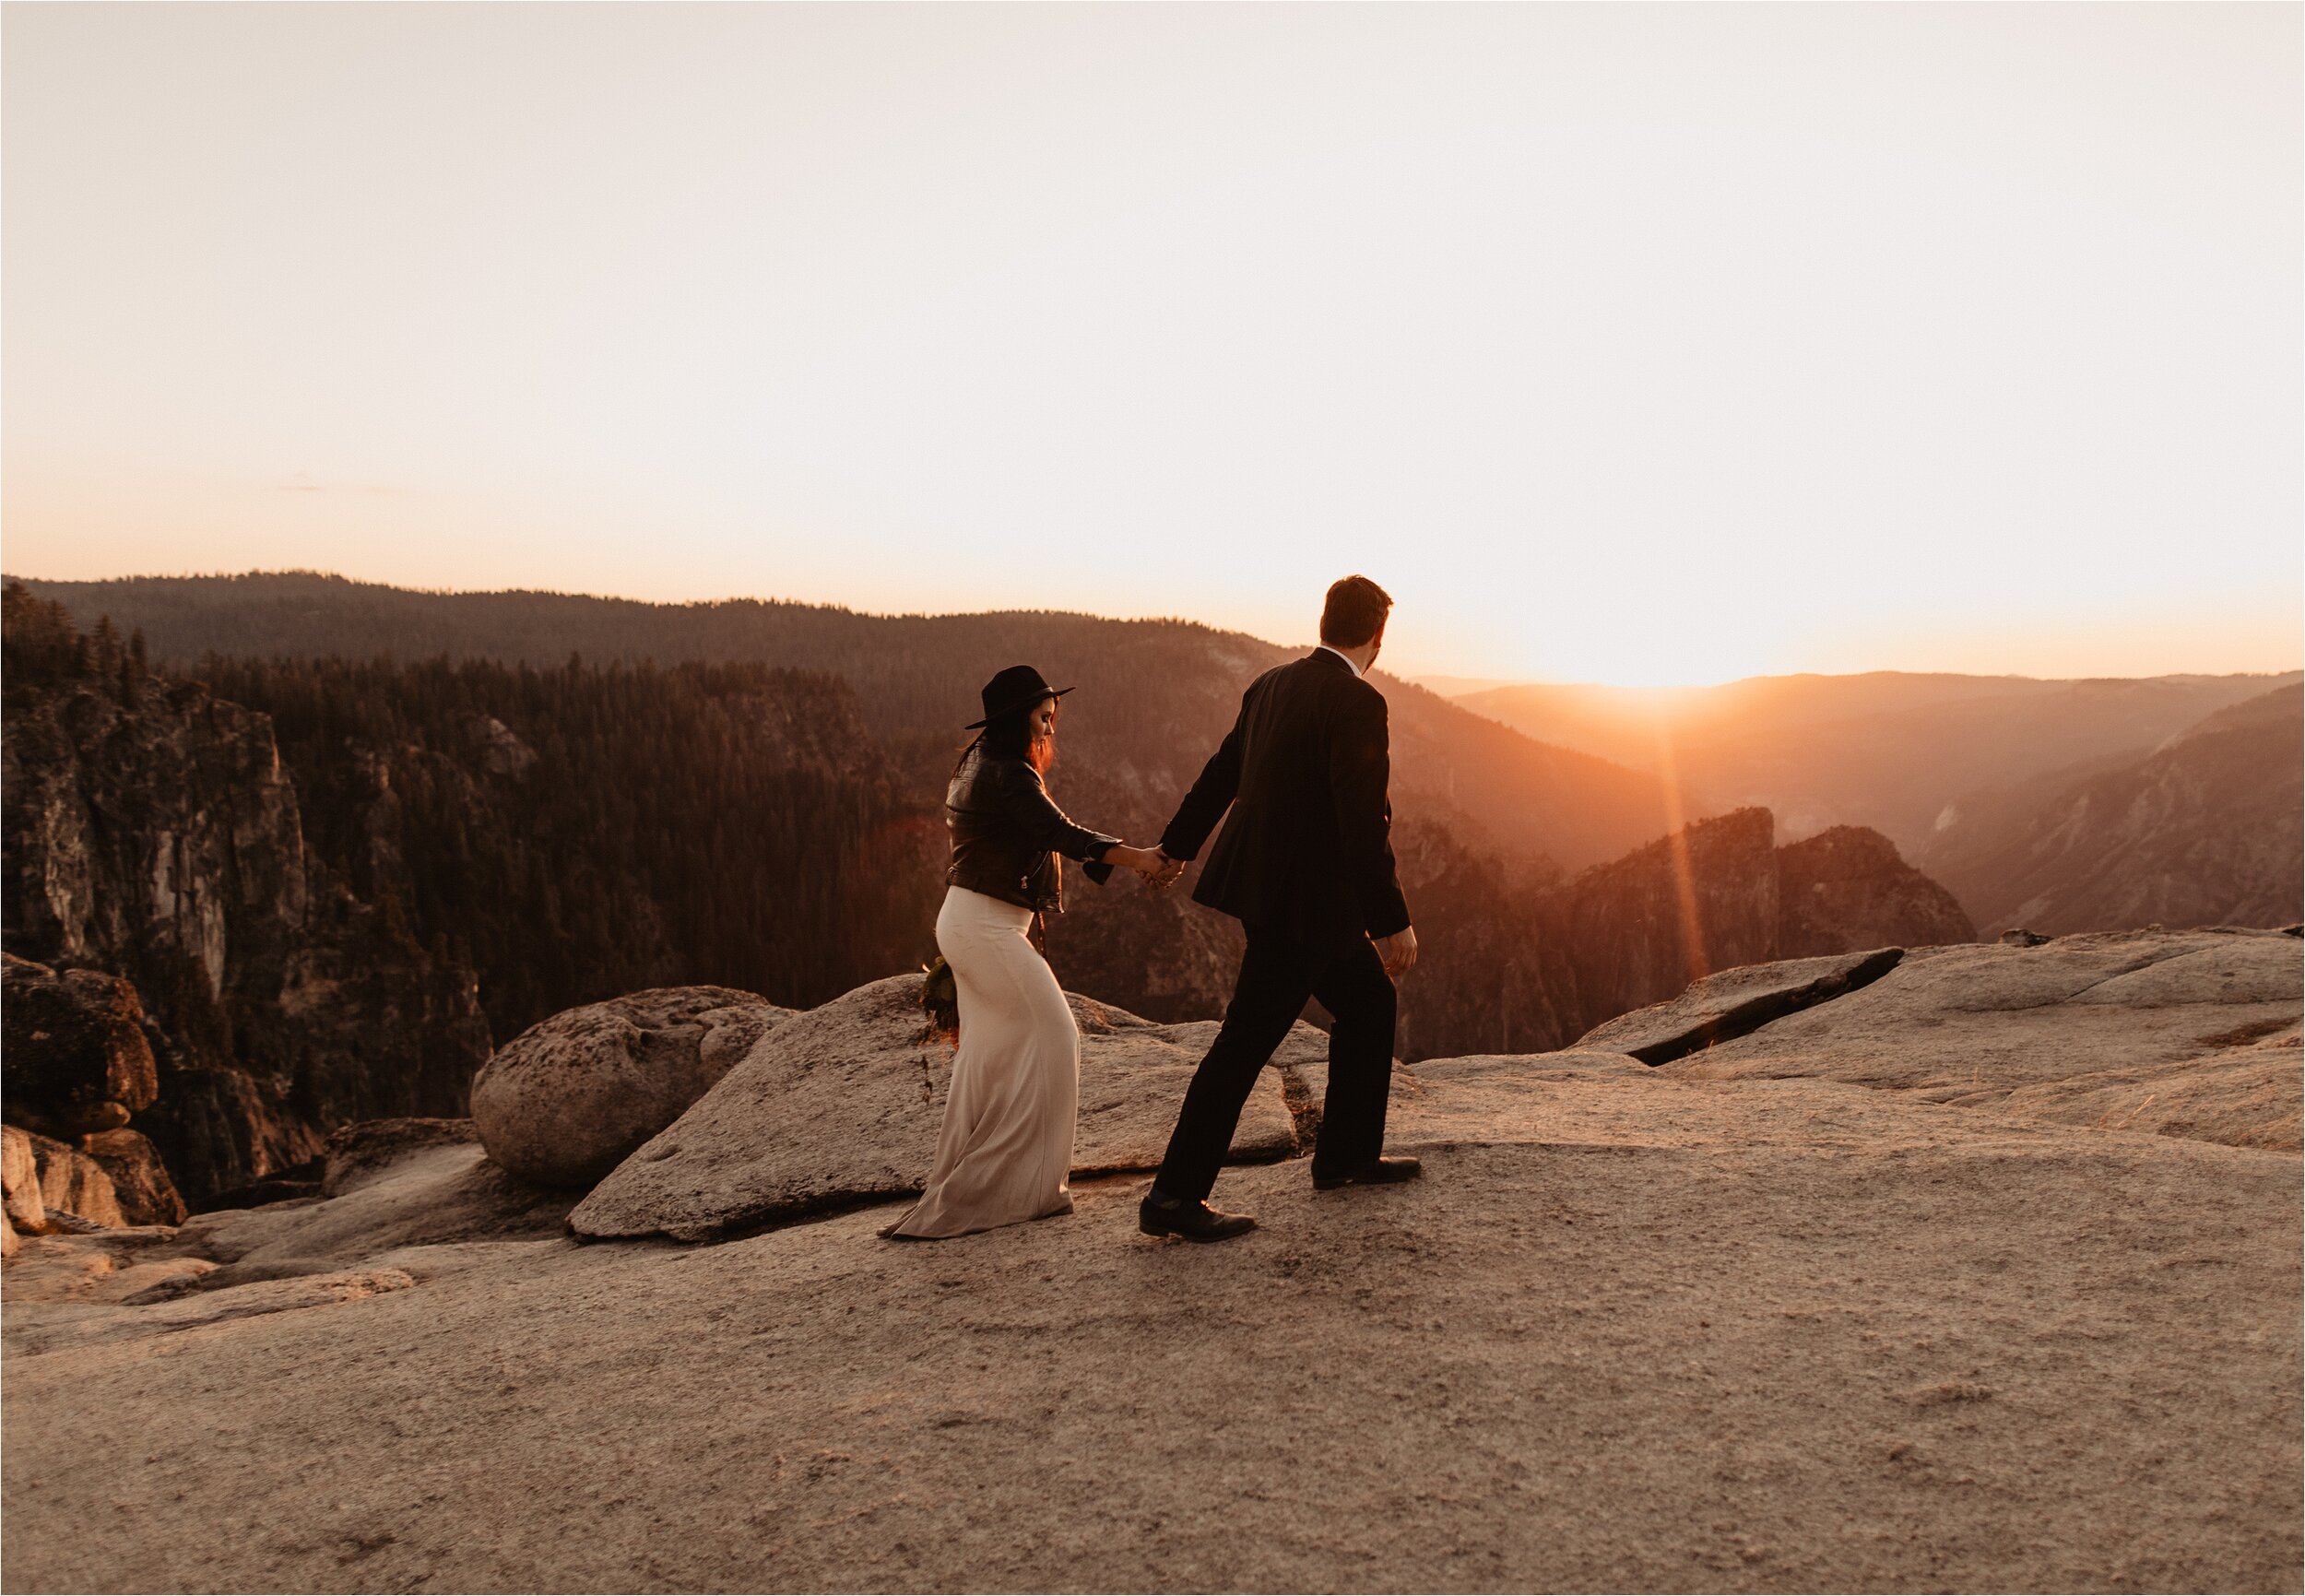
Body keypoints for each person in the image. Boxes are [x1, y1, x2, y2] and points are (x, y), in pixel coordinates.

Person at [1138, 575, 1422, 1242]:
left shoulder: (1271, 683)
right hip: (1308, 904)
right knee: (1246, 1041)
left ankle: (1347, 1156)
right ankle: (1174, 1195)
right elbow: (1361, 821)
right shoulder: (1359, 700)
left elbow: (1221, 771)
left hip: (1271, 891)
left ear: (1325, 621)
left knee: (1368, 1005)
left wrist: (1177, 846)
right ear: (1377, 637)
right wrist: (1391, 918)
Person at [882, 665, 1168, 1240]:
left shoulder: (976, 763)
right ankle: (1031, 1191)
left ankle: (966, 1181)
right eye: (1042, 714)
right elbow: (1056, 830)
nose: (1051, 724)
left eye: (1052, 714)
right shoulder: (1010, 772)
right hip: (985, 928)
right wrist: (1138, 858)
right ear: (1016, 718)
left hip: (969, 921)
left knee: (985, 1059)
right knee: (1057, 1036)